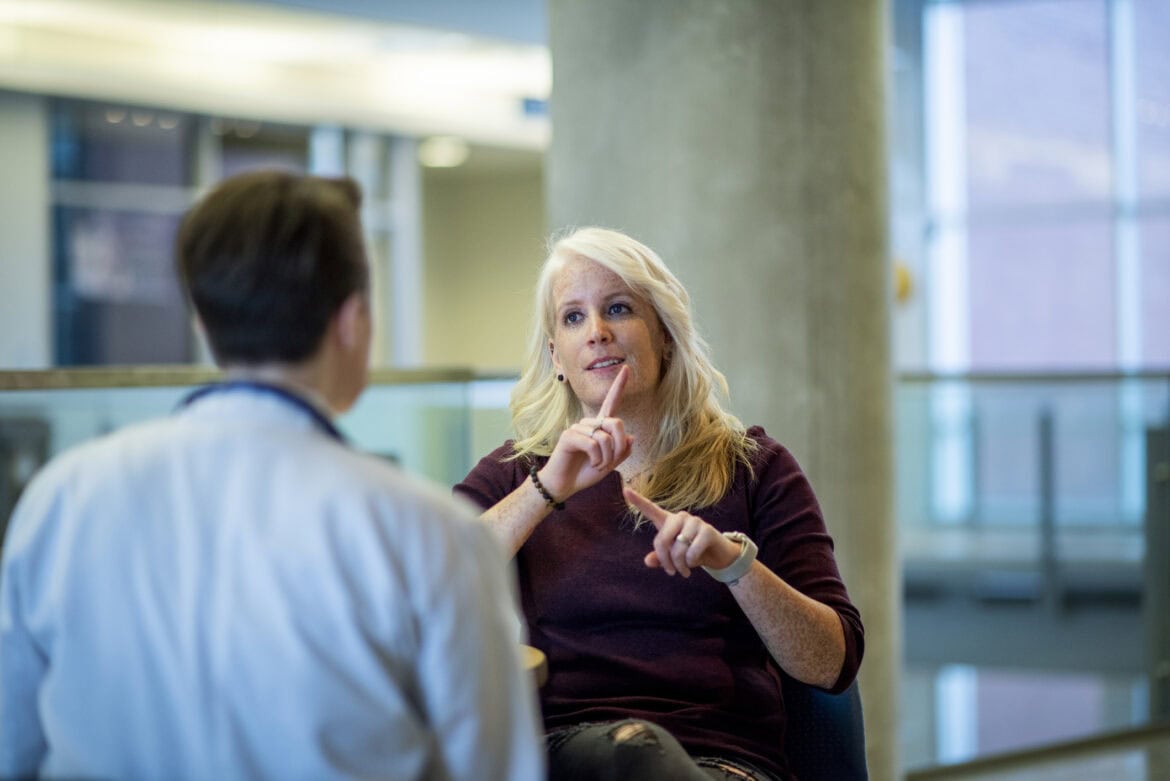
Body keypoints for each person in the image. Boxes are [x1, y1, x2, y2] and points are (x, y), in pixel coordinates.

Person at [0, 170, 544, 781]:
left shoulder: (61, 500)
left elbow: (12, 748)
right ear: (353, 320)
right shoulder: (427, 532)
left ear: (203, 326)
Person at [455, 227, 864, 781]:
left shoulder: (753, 469)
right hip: (569, 755)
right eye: (573, 317)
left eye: (618, 308)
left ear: (664, 335)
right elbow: (428, 574)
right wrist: (544, 490)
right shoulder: (521, 470)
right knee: (632, 751)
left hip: (724, 763)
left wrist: (732, 564)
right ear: (557, 355)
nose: (596, 332)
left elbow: (830, 663)